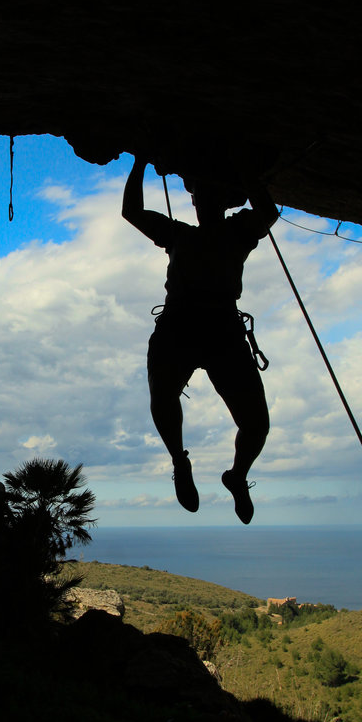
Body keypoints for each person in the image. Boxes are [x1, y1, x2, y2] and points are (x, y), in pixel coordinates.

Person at [122, 153, 278, 524]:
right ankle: (181, 461)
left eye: (209, 194)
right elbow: (132, 213)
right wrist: (140, 161)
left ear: (222, 201)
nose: (202, 200)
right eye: (199, 194)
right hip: (201, 326)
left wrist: (142, 162)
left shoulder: (223, 232)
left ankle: (235, 476)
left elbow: (267, 212)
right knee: (162, 397)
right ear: (194, 199)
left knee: (256, 423)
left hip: (204, 326)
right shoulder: (196, 233)